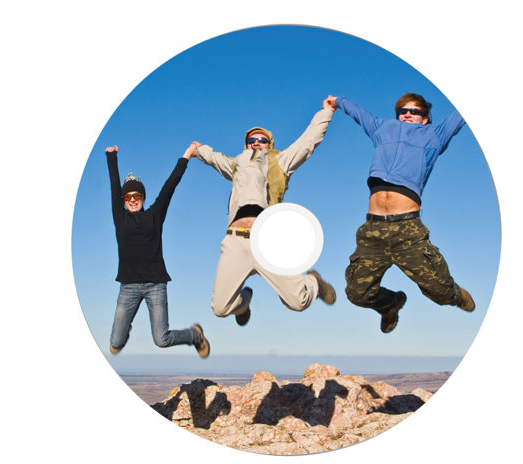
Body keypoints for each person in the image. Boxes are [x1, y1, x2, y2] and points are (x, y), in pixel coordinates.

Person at [325, 93, 476, 334]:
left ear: (425, 118)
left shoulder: (435, 135)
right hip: (373, 230)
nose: (407, 114)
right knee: (357, 293)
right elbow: (360, 114)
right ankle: (390, 304)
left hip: (407, 231)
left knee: (441, 292)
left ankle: (455, 295)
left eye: (414, 111)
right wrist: (338, 101)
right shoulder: (382, 128)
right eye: (402, 111)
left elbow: (461, 114)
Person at [186, 100, 337, 326]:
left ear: (269, 144)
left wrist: (327, 111)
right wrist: (199, 150)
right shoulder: (237, 165)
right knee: (220, 308)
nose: (256, 143)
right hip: (236, 240)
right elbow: (215, 158)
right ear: (246, 145)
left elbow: (308, 141)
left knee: (297, 302)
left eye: (262, 140)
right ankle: (244, 302)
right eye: (251, 140)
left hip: (267, 241)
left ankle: (314, 282)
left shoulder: (281, 162)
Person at [105, 144, 210, 357]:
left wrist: (187, 155)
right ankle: (124, 327)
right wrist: (111, 157)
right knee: (115, 343)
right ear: (123, 200)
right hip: (128, 286)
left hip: (156, 285)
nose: (132, 199)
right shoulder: (120, 217)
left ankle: (195, 335)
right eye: (127, 197)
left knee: (162, 340)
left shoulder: (155, 214)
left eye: (137, 195)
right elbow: (114, 185)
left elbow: (171, 184)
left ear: (143, 197)